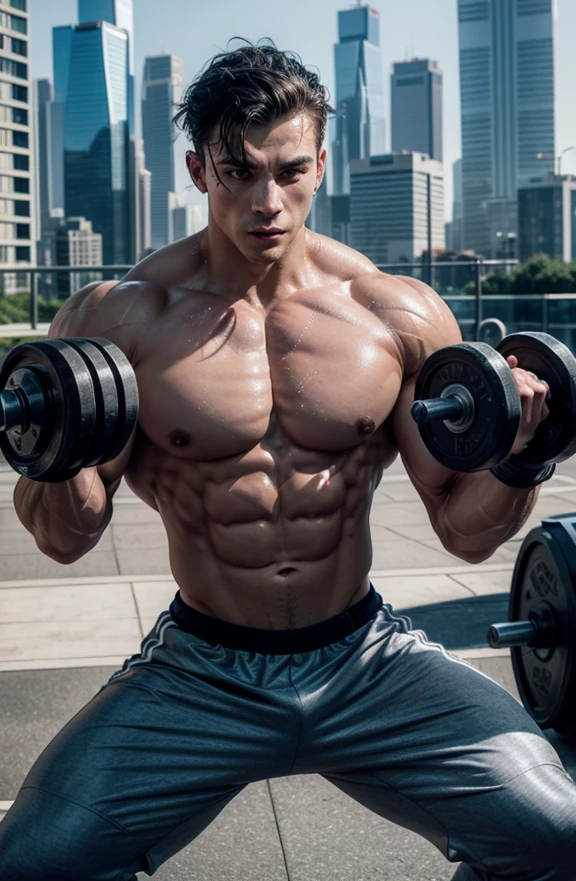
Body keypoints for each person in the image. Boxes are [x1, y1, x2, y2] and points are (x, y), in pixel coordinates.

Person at [0, 43, 575, 881]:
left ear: (321, 163)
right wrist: (55, 451)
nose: (267, 200)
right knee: (32, 864)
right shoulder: (120, 320)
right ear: (198, 169)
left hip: (365, 658)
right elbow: (65, 539)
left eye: (290, 169)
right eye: (237, 171)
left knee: (555, 836)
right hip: (201, 670)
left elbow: (462, 531)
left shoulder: (396, 312)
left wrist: (522, 453)